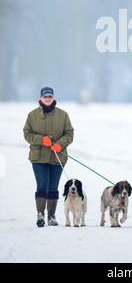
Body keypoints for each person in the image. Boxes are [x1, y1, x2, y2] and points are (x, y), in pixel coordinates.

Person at [23, 87, 74, 227]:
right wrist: (41, 140)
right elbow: (27, 134)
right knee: (42, 185)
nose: (47, 98)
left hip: (58, 157)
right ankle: (40, 215)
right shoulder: (32, 115)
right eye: (45, 96)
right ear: (40, 98)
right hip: (38, 157)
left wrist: (60, 144)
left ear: (53, 97)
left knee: (53, 187)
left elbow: (69, 133)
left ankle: (51, 216)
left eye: (50, 96)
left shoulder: (63, 115)